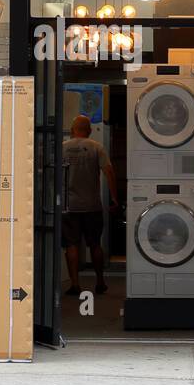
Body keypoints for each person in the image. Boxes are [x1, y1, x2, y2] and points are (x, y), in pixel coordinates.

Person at [62, 114, 118, 297]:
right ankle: (100, 281)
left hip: (70, 206)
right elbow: (109, 172)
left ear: (72, 130)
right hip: (92, 205)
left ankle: (75, 285)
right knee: (95, 244)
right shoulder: (97, 147)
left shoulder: (63, 148)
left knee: (71, 244)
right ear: (90, 130)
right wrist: (114, 198)